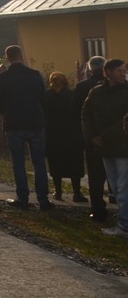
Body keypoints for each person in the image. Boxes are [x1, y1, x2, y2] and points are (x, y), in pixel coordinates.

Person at [0, 44, 52, 210]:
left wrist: (7, 113)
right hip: (35, 122)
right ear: (22, 56)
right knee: (39, 162)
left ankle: (23, 198)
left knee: (18, 162)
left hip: (14, 124)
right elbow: (42, 97)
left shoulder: (2, 78)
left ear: (7, 58)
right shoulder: (34, 75)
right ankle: (43, 199)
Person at [81, 57, 128, 237]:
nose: (123, 73)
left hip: (122, 147)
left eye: (124, 70)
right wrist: (91, 136)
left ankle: (124, 226)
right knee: (116, 188)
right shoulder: (96, 92)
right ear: (107, 72)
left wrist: (103, 136)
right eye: (119, 70)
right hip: (104, 148)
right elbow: (86, 115)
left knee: (123, 188)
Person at [75, 56, 110, 222]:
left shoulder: (82, 86)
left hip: (91, 136)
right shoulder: (113, 85)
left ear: (89, 68)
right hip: (112, 135)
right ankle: (115, 197)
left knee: (95, 175)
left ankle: (97, 209)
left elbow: (76, 112)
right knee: (117, 172)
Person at [43, 70, 85, 202]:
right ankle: (77, 193)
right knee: (74, 164)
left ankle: (58, 192)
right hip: (71, 134)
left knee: (55, 164)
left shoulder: (46, 96)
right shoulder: (72, 95)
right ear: (65, 82)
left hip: (53, 134)